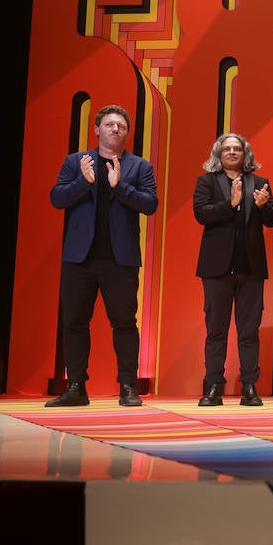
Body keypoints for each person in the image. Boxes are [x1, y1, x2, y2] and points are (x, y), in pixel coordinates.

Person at [46, 104, 159, 407]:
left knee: (124, 323)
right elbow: (57, 198)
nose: (115, 129)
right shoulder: (76, 162)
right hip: (79, 258)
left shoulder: (139, 166)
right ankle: (76, 387)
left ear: (127, 132)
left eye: (121, 126)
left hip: (120, 259)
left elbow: (150, 205)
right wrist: (85, 181)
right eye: (109, 124)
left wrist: (119, 187)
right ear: (97, 130)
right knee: (74, 322)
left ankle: (128, 387)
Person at [192, 133, 273, 407]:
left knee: (249, 331)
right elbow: (201, 214)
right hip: (216, 268)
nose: (232, 152)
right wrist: (229, 204)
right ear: (219, 153)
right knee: (215, 330)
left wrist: (265, 207)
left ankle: (250, 388)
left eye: (237, 149)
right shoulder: (206, 181)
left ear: (245, 154)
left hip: (251, 268)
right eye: (227, 148)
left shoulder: (261, 182)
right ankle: (214, 387)